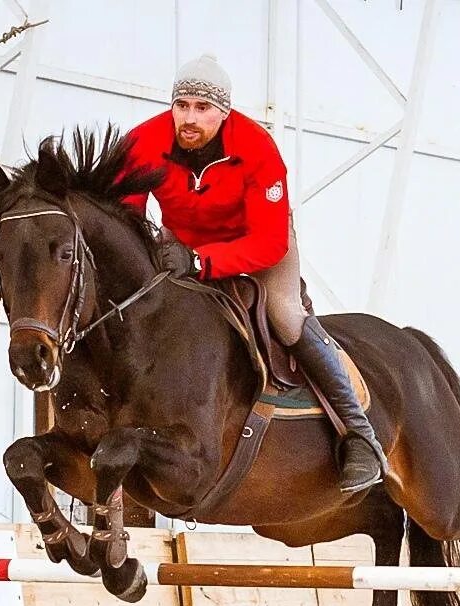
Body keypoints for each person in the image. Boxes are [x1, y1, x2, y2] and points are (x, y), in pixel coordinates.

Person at [122, 53, 388, 493]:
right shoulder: (143, 141)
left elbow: (269, 243)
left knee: (285, 316)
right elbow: (126, 216)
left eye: (202, 109)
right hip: (182, 242)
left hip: (259, 245)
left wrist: (203, 263)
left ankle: (360, 435)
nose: (189, 118)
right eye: (181, 105)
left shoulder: (256, 147)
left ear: (224, 113)